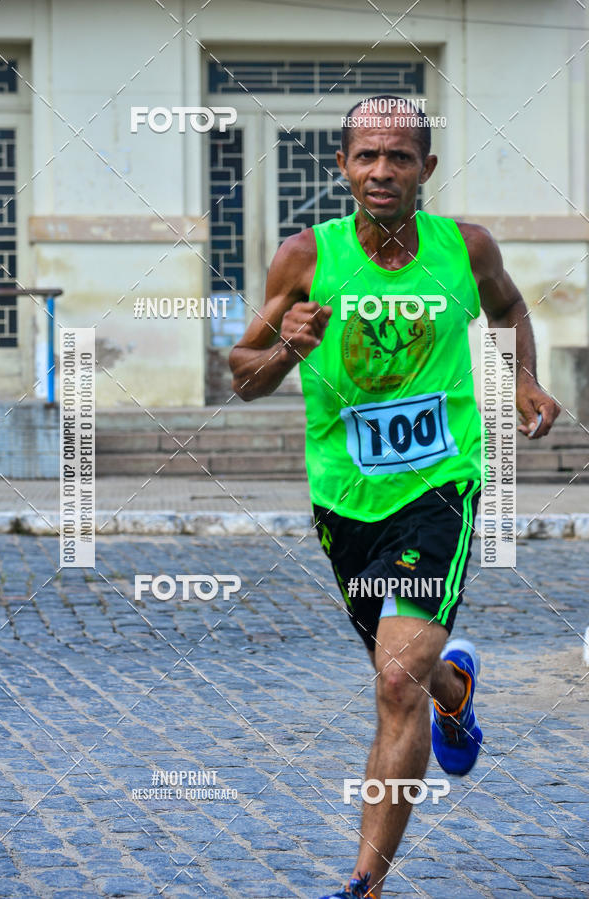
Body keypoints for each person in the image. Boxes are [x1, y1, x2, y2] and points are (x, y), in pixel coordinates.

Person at [229, 95, 560, 899]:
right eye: (368, 157)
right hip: (344, 494)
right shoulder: (304, 258)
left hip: (439, 486)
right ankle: (458, 690)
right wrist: (284, 347)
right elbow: (242, 375)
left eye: (401, 157)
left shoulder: (465, 247)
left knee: (392, 684)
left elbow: (508, 305)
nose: (383, 171)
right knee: (406, 671)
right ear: (343, 167)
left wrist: (520, 375)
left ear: (427, 170)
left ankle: (363, 883)